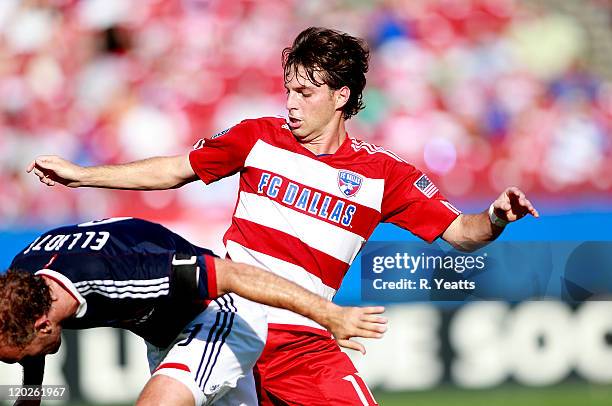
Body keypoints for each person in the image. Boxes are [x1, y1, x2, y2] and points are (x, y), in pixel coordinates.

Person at [27, 27, 539, 405]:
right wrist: (83, 173)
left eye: (305, 93)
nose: (291, 104)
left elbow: (461, 232)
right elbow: (174, 170)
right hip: (226, 317)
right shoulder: (257, 137)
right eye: (288, 89)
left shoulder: (384, 175)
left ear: (342, 97)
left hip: (305, 342)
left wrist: (495, 216)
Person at [1, 217, 387, 406]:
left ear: (43, 324)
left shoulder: (122, 275)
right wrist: (30, 394)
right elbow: (23, 335)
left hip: (221, 315)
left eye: (17, 357)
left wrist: (330, 315)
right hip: (170, 337)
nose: (16, 363)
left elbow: (235, 274)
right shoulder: (24, 284)